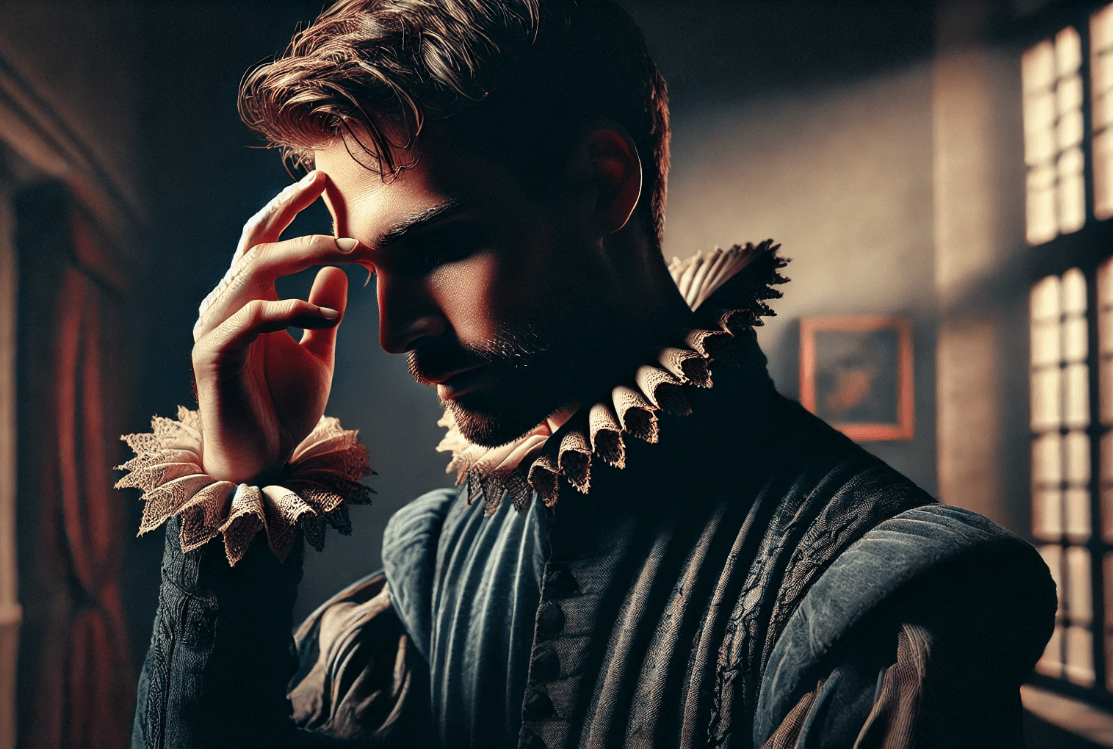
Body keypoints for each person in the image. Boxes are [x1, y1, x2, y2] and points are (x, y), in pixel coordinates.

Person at [121, 1, 1056, 747]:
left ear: (604, 184)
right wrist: (244, 480)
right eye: (370, 270)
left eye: (441, 245)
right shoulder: (433, 554)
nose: (397, 331)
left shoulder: (880, 591)